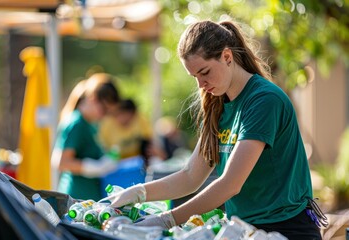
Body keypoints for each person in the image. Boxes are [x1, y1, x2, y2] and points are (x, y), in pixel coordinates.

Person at [100, 19, 326, 239]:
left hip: (286, 229)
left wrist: (167, 219)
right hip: (246, 229)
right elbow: (190, 177)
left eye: (205, 72)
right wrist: (139, 193)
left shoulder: (264, 100)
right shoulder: (218, 104)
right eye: (194, 77)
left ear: (227, 56)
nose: (201, 85)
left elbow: (230, 184)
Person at [51, 73, 120, 201]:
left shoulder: (91, 125)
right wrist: (93, 167)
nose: (105, 116)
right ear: (93, 98)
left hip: (87, 199)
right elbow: (60, 162)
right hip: (75, 201)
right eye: (104, 109)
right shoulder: (76, 123)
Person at [98, 98, 155, 165]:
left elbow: (148, 142)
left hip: (138, 162)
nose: (123, 118)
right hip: (116, 165)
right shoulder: (107, 124)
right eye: (120, 114)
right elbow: (102, 148)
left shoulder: (140, 119)